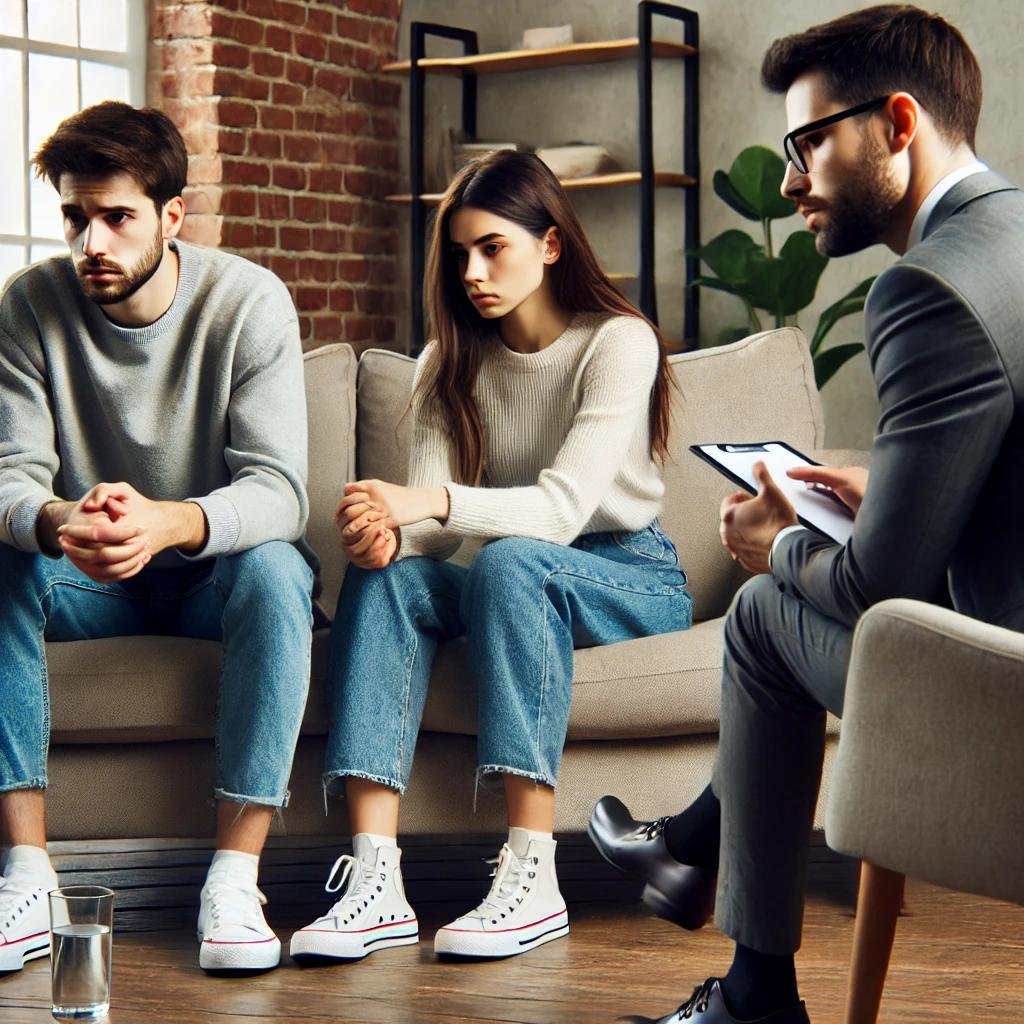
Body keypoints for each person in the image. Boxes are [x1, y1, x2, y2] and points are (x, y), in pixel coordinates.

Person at [587, 6, 1024, 1022]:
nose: (789, 182)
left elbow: (876, 591)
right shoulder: (1011, 237)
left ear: (899, 123)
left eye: (809, 143)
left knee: (758, 616)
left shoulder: (926, 290)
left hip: (1000, 703)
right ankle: (694, 867)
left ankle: (748, 981)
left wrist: (774, 542)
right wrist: (885, 492)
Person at [288, 150, 693, 963]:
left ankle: (532, 875)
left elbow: (562, 509)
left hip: (630, 576)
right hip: (521, 574)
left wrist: (428, 502)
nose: (472, 272)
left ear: (551, 244)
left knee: (510, 561)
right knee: (389, 577)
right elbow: (435, 534)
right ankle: (375, 881)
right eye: (460, 253)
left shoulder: (619, 342)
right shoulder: (447, 360)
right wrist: (389, 534)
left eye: (492, 248)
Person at [0, 102, 314, 974]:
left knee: (279, 568)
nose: (90, 243)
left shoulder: (248, 301)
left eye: (116, 217)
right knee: (3, 553)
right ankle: (25, 874)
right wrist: (61, 519)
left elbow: (281, 492)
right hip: (89, 579)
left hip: (211, 580)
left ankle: (235, 880)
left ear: (173, 215)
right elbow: (11, 478)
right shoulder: (29, 304)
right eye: (74, 217)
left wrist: (168, 522)